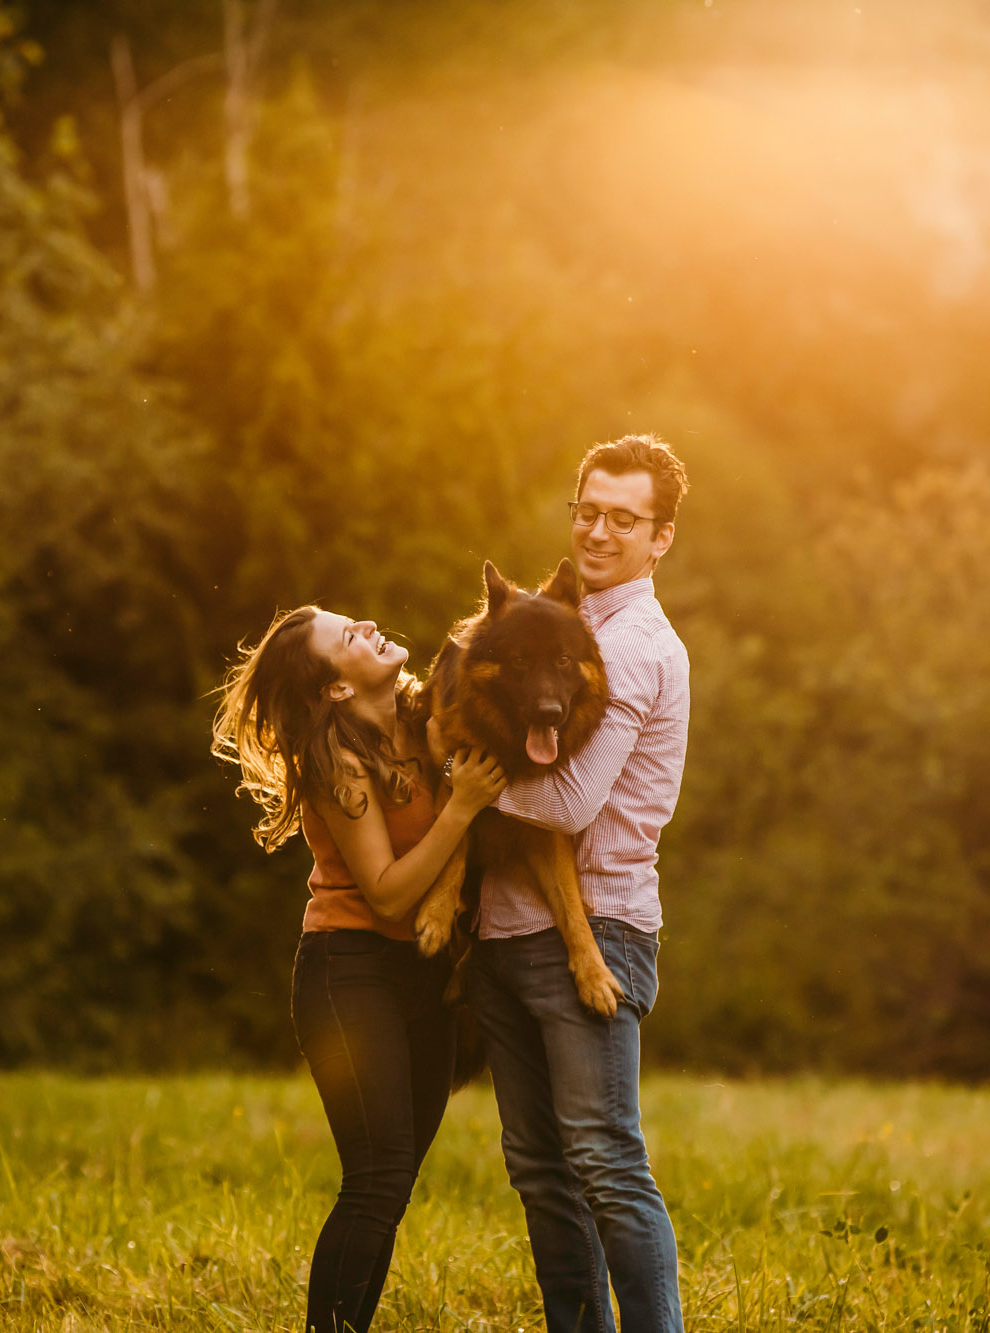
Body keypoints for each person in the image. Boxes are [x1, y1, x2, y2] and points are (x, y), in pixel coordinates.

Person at [212, 606, 507, 1333]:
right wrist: (462, 807)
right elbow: (388, 889)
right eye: (349, 637)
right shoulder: (336, 760)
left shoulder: (423, 719)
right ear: (338, 689)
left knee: (393, 1185)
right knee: (374, 1178)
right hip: (350, 975)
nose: (369, 623)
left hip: (425, 976)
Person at [466, 434, 692, 1333]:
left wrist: (459, 764)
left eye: (624, 518)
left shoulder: (635, 645)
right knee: (541, 1171)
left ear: (660, 536)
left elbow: (565, 801)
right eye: (588, 511)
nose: (600, 532)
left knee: (604, 1161)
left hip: (597, 931)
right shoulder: (561, 619)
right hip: (508, 932)